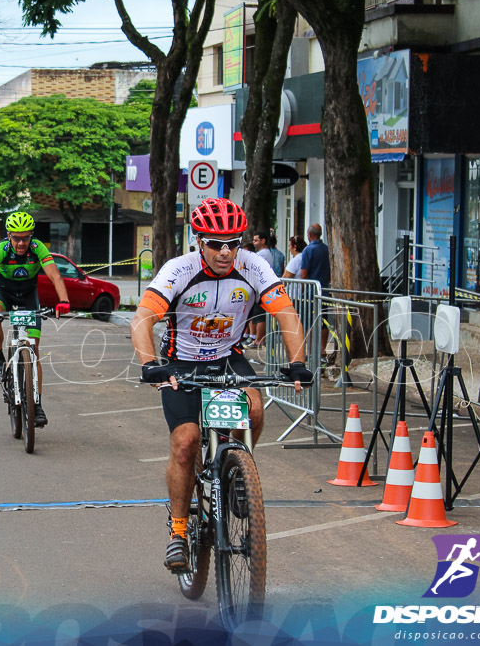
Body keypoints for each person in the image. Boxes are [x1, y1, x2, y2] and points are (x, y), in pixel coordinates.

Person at [130, 197, 313, 571]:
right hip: (181, 363)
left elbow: (286, 314)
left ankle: (235, 471)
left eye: (233, 242)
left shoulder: (254, 266)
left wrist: (298, 363)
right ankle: (178, 531)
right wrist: (150, 364)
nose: (225, 252)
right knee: (186, 442)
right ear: (199, 241)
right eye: (215, 243)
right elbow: (142, 318)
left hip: (227, 357)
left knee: (255, 409)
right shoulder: (178, 270)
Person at [0, 211, 70, 428]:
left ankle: (37, 404)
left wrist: (64, 301)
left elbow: (55, 275)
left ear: (31, 236)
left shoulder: (38, 248)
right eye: (16, 237)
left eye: (25, 237)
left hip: (28, 295)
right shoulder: (2, 249)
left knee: (33, 351)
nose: (21, 242)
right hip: (3, 291)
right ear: (9, 235)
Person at [300, 223, 331, 357]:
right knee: (323, 320)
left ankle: (309, 350)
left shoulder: (308, 250)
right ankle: (322, 349)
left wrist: (303, 289)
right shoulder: (327, 249)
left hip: (311, 291)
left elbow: (304, 273)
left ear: (310, 234)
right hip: (324, 289)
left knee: (308, 321)